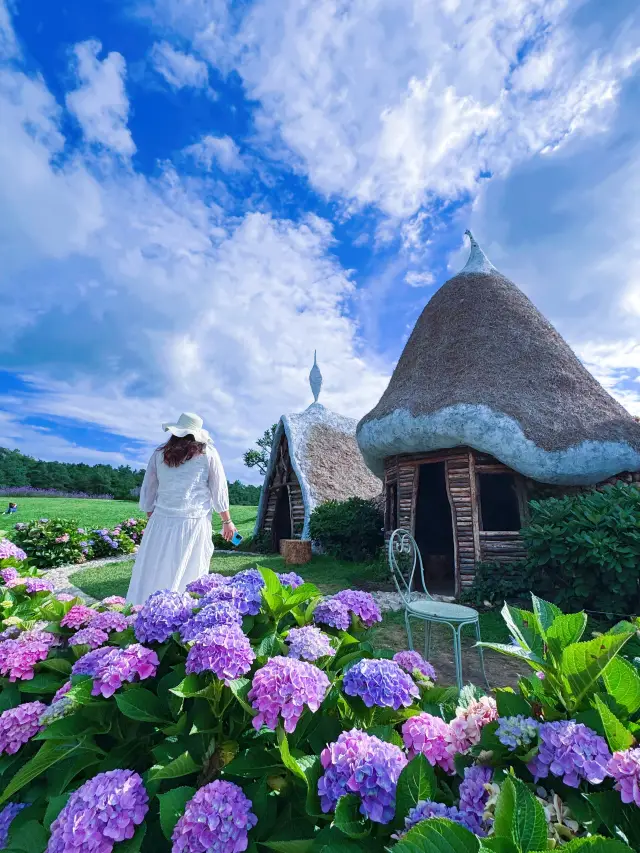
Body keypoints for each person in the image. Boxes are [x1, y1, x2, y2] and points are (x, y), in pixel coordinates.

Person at [126, 412, 237, 605]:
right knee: (191, 571)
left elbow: (148, 490)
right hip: (193, 522)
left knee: (154, 569)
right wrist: (227, 521)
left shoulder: (160, 454)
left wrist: (155, 516)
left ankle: (145, 613)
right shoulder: (208, 453)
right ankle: (181, 616)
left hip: (160, 522)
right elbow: (219, 489)